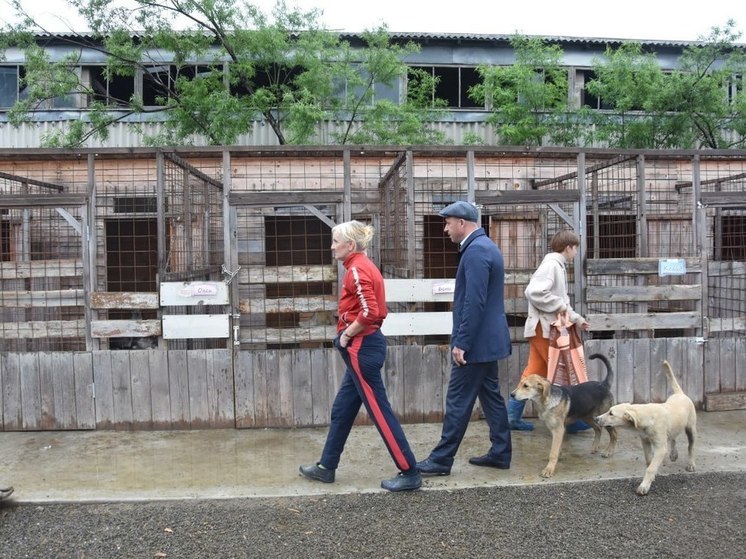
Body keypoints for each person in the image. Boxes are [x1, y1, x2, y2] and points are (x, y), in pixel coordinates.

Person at [299, 220, 422, 492]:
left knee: (379, 411)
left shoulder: (356, 270)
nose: (332, 247)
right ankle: (326, 467)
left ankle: (409, 471)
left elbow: (372, 312)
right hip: (365, 345)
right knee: (342, 409)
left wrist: (346, 335)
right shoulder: (360, 267)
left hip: (361, 346)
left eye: (335, 242)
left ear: (350, 245)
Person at [416, 201, 513, 476]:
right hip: (487, 342)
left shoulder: (476, 251)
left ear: (462, 223)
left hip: (476, 345)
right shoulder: (484, 247)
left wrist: (462, 342)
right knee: (491, 397)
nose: (445, 229)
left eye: (448, 223)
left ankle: (441, 460)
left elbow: (474, 302)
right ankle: (501, 452)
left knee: (458, 400)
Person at [508, 229, 591, 431]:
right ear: (568, 247)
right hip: (545, 329)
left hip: (542, 329)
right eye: (575, 249)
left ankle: (511, 418)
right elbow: (534, 292)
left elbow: (559, 302)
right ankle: (570, 421)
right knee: (561, 373)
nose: (576, 253)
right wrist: (561, 307)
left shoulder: (556, 265)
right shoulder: (552, 265)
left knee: (534, 371)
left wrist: (577, 319)